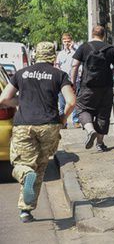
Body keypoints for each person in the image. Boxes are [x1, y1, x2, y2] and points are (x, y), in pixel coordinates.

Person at [0, 42, 76, 223]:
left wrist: (19, 103)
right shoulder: (59, 75)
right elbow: (71, 101)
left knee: (21, 164)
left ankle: (25, 180)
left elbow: (4, 98)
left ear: (35, 55)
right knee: (40, 167)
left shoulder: (21, 74)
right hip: (49, 125)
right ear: (53, 57)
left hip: (24, 125)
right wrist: (63, 118)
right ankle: (26, 209)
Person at [71, 25, 114, 152]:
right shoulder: (110, 49)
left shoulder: (84, 47)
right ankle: (100, 143)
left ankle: (90, 130)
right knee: (103, 114)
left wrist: (73, 82)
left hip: (87, 87)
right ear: (103, 35)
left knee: (82, 108)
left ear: (92, 34)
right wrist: (109, 74)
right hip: (106, 87)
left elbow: (74, 65)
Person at [55, 32, 79, 127]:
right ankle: (63, 122)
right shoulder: (60, 54)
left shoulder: (75, 53)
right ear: (62, 42)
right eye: (65, 41)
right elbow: (57, 66)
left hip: (73, 81)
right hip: (62, 82)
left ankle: (76, 121)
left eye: (68, 41)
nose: (67, 43)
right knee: (62, 103)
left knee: (73, 101)